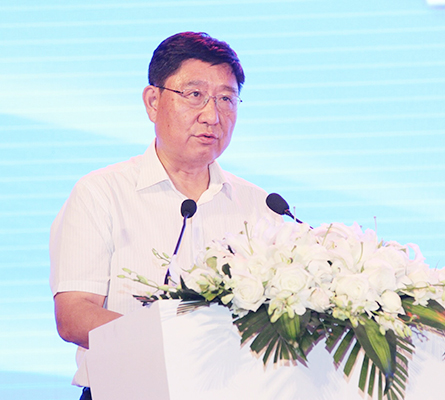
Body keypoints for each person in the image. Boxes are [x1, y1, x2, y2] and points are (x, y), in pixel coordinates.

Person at [49, 32, 279, 399]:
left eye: (226, 99)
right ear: (153, 101)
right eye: (194, 95)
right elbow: (74, 315)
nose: (212, 116)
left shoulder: (260, 206)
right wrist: (171, 347)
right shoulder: (101, 193)